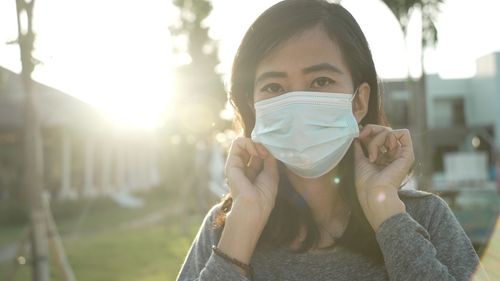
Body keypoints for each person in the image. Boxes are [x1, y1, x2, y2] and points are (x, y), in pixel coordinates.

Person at [176, 0, 489, 280]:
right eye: (274, 87)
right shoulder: (226, 226)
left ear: (358, 102)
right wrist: (243, 227)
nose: (297, 103)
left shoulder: (424, 217)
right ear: (252, 104)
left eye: (320, 81)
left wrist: (387, 214)